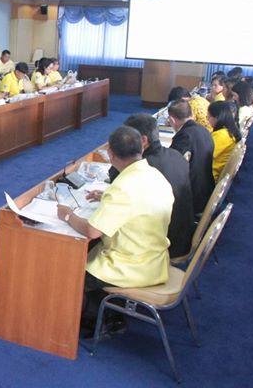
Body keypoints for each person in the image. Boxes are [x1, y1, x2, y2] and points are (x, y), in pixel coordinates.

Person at [57, 126, 173, 333]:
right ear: (142, 147)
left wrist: (67, 215)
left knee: (67, 266)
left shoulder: (123, 187)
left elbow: (92, 231)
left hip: (130, 266)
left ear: (110, 154)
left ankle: (95, 319)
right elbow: (140, 202)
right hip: (155, 258)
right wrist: (105, 197)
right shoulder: (155, 175)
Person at [112, 114, 195, 259]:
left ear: (143, 140)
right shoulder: (176, 155)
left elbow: (115, 180)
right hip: (183, 236)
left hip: (162, 246)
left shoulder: (143, 167)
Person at [167, 99, 215, 215]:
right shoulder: (205, 131)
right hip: (206, 191)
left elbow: (172, 167)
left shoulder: (184, 136)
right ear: (191, 114)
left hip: (192, 198)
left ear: (172, 120)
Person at [208, 101, 241, 181]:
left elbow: (203, 156)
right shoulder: (228, 131)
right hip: (213, 172)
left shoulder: (222, 135)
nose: (207, 120)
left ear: (217, 118)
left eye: (208, 117)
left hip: (209, 176)